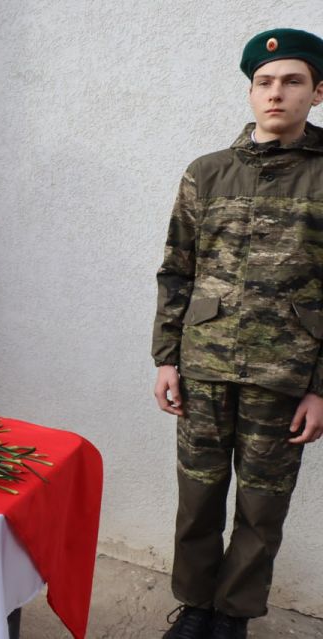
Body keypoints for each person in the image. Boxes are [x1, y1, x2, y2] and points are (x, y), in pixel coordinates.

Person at [152, 28, 323, 639]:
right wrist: (166, 359)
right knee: (197, 498)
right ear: (251, 93)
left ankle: (234, 616)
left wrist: (320, 388)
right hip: (204, 366)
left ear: (318, 92)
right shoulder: (207, 173)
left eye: (292, 81)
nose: (276, 93)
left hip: (286, 375)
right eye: (264, 83)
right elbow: (176, 270)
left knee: (262, 505)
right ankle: (196, 606)